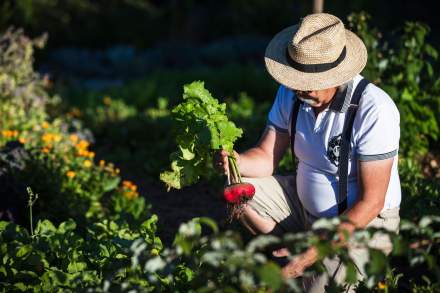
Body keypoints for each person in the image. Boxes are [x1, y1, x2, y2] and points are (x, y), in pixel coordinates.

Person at [216, 13, 401, 291]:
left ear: (336, 75)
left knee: (314, 288)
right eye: (295, 78)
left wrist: (317, 251)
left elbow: (371, 203)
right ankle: (291, 248)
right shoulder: (292, 94)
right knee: (241, 189)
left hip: (364, 224)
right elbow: (266, 158)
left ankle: (312, 260)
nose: (299, 87)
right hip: (305, 210)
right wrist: (235, 161)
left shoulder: (373, 110)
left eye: (309, 80)